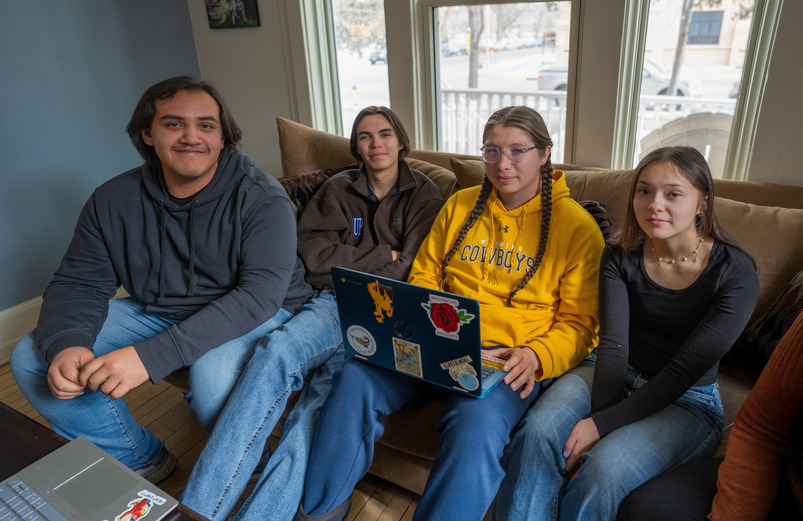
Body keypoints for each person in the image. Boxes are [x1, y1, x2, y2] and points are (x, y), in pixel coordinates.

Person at [295, 106, 605, 521]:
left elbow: (581, 325)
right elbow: (424, 272)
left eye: (517, 151)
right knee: (355, 376)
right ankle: (319, 513)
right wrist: (422, 320)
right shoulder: (460, 205)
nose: (503, 164)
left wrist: (537, 356)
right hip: (435, 340)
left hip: (507, 358)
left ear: (545, 154)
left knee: (474, 424)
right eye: (491, 152)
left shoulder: (578, 228)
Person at [10, 76, 312, 483]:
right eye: (174, 124)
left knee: (212, 377)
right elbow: (80, 282)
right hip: (161, 308)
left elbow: (258, 297)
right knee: (32, 356)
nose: (191, 136)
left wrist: (149, 357)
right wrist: (68, 344)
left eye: (206, 125)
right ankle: (142, 459)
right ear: (147, 134)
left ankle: (252, 469)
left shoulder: (262, 197)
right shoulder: (112, 200)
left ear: (224, 139)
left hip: (259, 310)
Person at [180, 105, 445, 521]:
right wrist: (383, 254)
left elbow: (415, 268)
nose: (376, 143)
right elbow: (313, 257)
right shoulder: (338, 188)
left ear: (401, 141)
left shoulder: (426, 194)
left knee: (318, 403)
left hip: (386, 315)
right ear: (355, 146)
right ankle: (196, 511)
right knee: (275, 351)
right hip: (331, 302)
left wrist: (359, 259)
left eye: (385, 134)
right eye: (365, 136)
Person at [491, 145, 761, 521]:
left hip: (688, 400)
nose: (655, 205)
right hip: (606, 369)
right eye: (644, 191)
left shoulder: (736, 275)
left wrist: (601, 427)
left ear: (703, 203)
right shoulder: (619, 254)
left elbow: (683, 373)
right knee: (537, 434)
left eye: (674, 194)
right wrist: (597, 422)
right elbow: (613, 346)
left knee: (604, 469)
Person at [616, 310, 803, 521]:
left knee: (607, 472)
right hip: (785, 475)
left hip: (695, 402)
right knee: (644, 508)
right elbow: (761, 429)